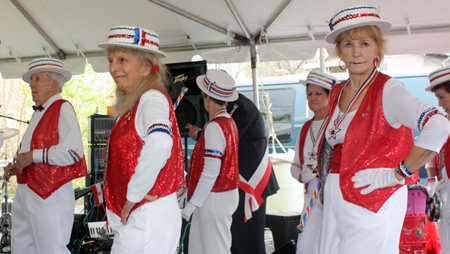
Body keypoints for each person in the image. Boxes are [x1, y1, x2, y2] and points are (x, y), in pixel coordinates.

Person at [318, 5, 450, 254]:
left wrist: (398, 173)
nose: (356, 52)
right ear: (339, 51)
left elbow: (438, 124)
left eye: (365, 44)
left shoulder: (388, 89)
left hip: (373, 196)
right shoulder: (337, 91)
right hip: (336, 194)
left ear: (378, 48)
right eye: (348, 45)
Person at [98, 25, 185, 253]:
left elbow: (160, 142)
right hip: (142, 216)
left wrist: (133, 195)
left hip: (145, 216)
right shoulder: (138, 102)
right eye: (111, 60)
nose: (113, 67)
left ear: (147, 68)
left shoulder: (151, 98)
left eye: (122, 59)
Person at [4, 58, 87, 253]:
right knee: (22, 248)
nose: (31, 85)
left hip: (49, 193)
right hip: (28, 190)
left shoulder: (62, 108)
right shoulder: (39, 112)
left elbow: (73, 152)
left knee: (51, 249)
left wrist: (32, 156)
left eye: (36, 79)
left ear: (53, 84)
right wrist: (19, 166)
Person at [186, 92, 279, 254]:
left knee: (246, 242)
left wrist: (197, 133)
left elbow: (224, 141)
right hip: (236, 182)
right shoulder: (235, 105)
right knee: (234, 240)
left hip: (248, 181)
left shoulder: (238, 108)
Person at [182, 69, 240, 254]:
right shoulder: (228, 122)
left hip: (214, 197)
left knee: (214, 249)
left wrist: (191, 205)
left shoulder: (215, 126)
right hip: (220, 195)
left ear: (207, 98)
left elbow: (211, 171)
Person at [291, 71, 336, 254]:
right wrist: (302, 175)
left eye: (318, 94)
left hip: (334, 196)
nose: (312, 98)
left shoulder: (336, 125)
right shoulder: (305, 128)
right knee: (305, 246)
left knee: (331, 245)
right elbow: (295, 165)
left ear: (329, 96)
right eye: (309, 94)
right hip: (311, 196)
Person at [424, 66, 450, 254]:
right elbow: (434, 152)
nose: (440, 104)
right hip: (444, 184)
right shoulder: (444, 121)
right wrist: (433, 179)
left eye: (442, 97)